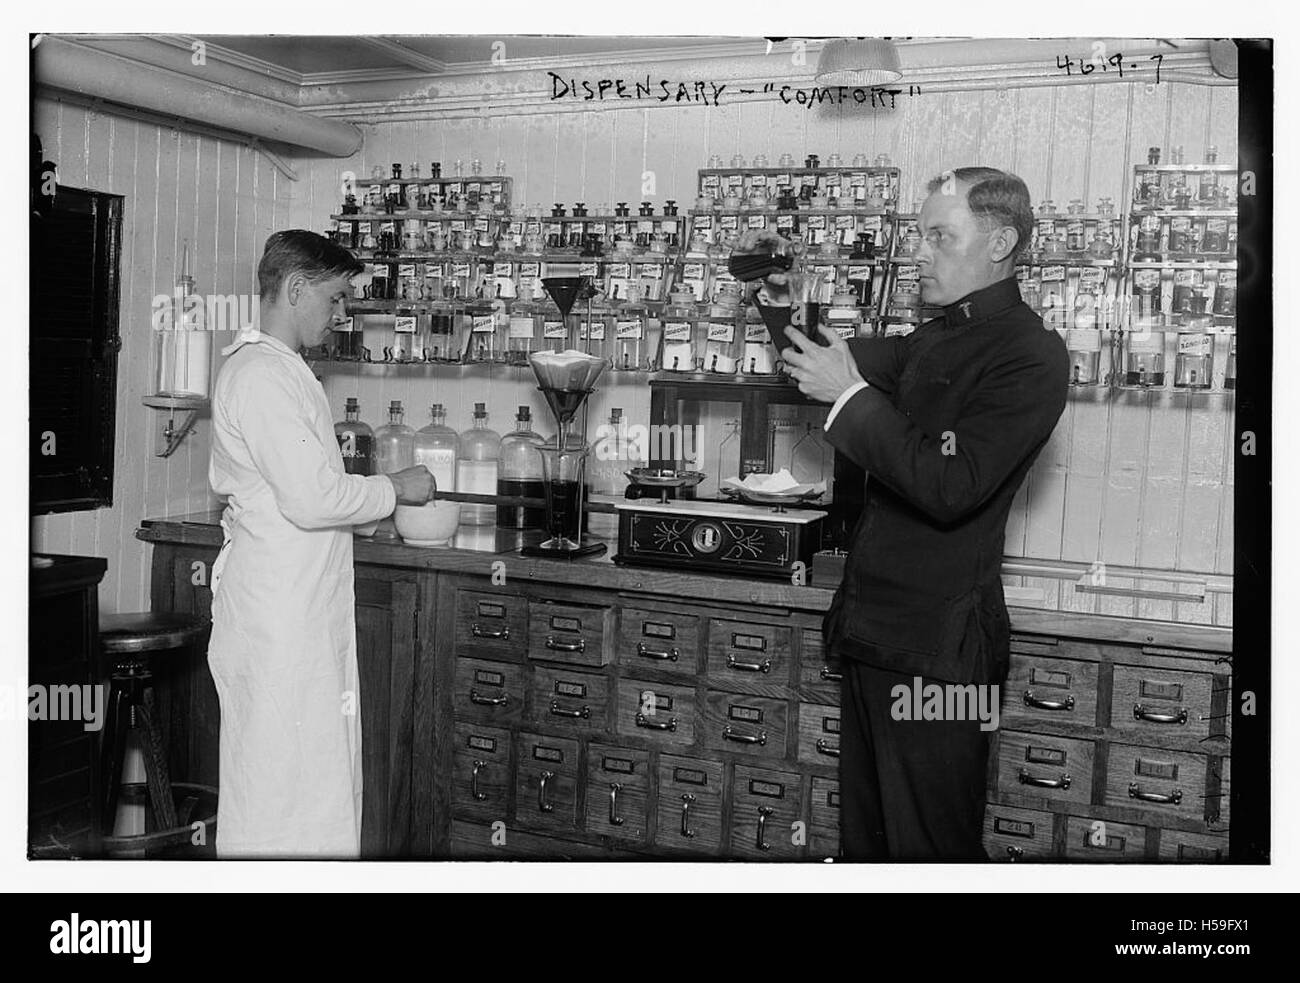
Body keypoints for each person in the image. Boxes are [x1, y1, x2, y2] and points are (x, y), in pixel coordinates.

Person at [741, 167, 1068, 859]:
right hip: (872, 637)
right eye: (919, 236)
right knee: (869, 847)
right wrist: (777, 292)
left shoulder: (1031, 354)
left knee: (931, 851)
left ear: (1001, 241)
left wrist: (852, 395)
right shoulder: (929, 339)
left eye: (939, 237)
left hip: (944, 658)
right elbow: (813, 359)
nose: (919, 252)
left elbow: (951, 485)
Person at [207, 231, 435, 858]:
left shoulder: (286, 371)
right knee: (278, 787)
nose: (340, 316)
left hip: (301, 608)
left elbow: (315, 489)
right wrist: (395, 489)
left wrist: (365, 503)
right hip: (278, 615)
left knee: (313, 780)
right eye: (335, 299)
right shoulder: (259, 375)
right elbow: (311, 500)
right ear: (296, 288)